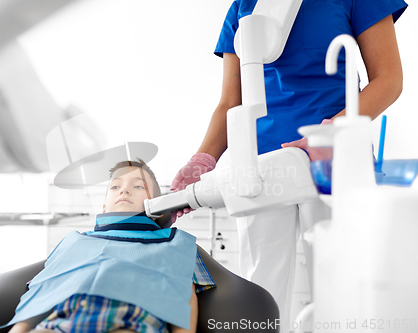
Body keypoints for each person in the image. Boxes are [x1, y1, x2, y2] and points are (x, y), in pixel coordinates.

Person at [171, 0, 407, 331]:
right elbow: (230, 101)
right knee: (260, 285)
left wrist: (329, 134)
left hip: (334, 157)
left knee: (339, 281)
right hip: (258, 162)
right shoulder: (243, 6)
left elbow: (388, 79)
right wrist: (204, 157)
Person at [6, 159, 215, 333]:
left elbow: (185, 295)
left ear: (158, 206)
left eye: (138, 186)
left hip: (132, 323)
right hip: (62, 323)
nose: (124, 190)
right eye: (115, 186)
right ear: (104, 206)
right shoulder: (74, 241)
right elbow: (42, 292)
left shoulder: (175, 243)